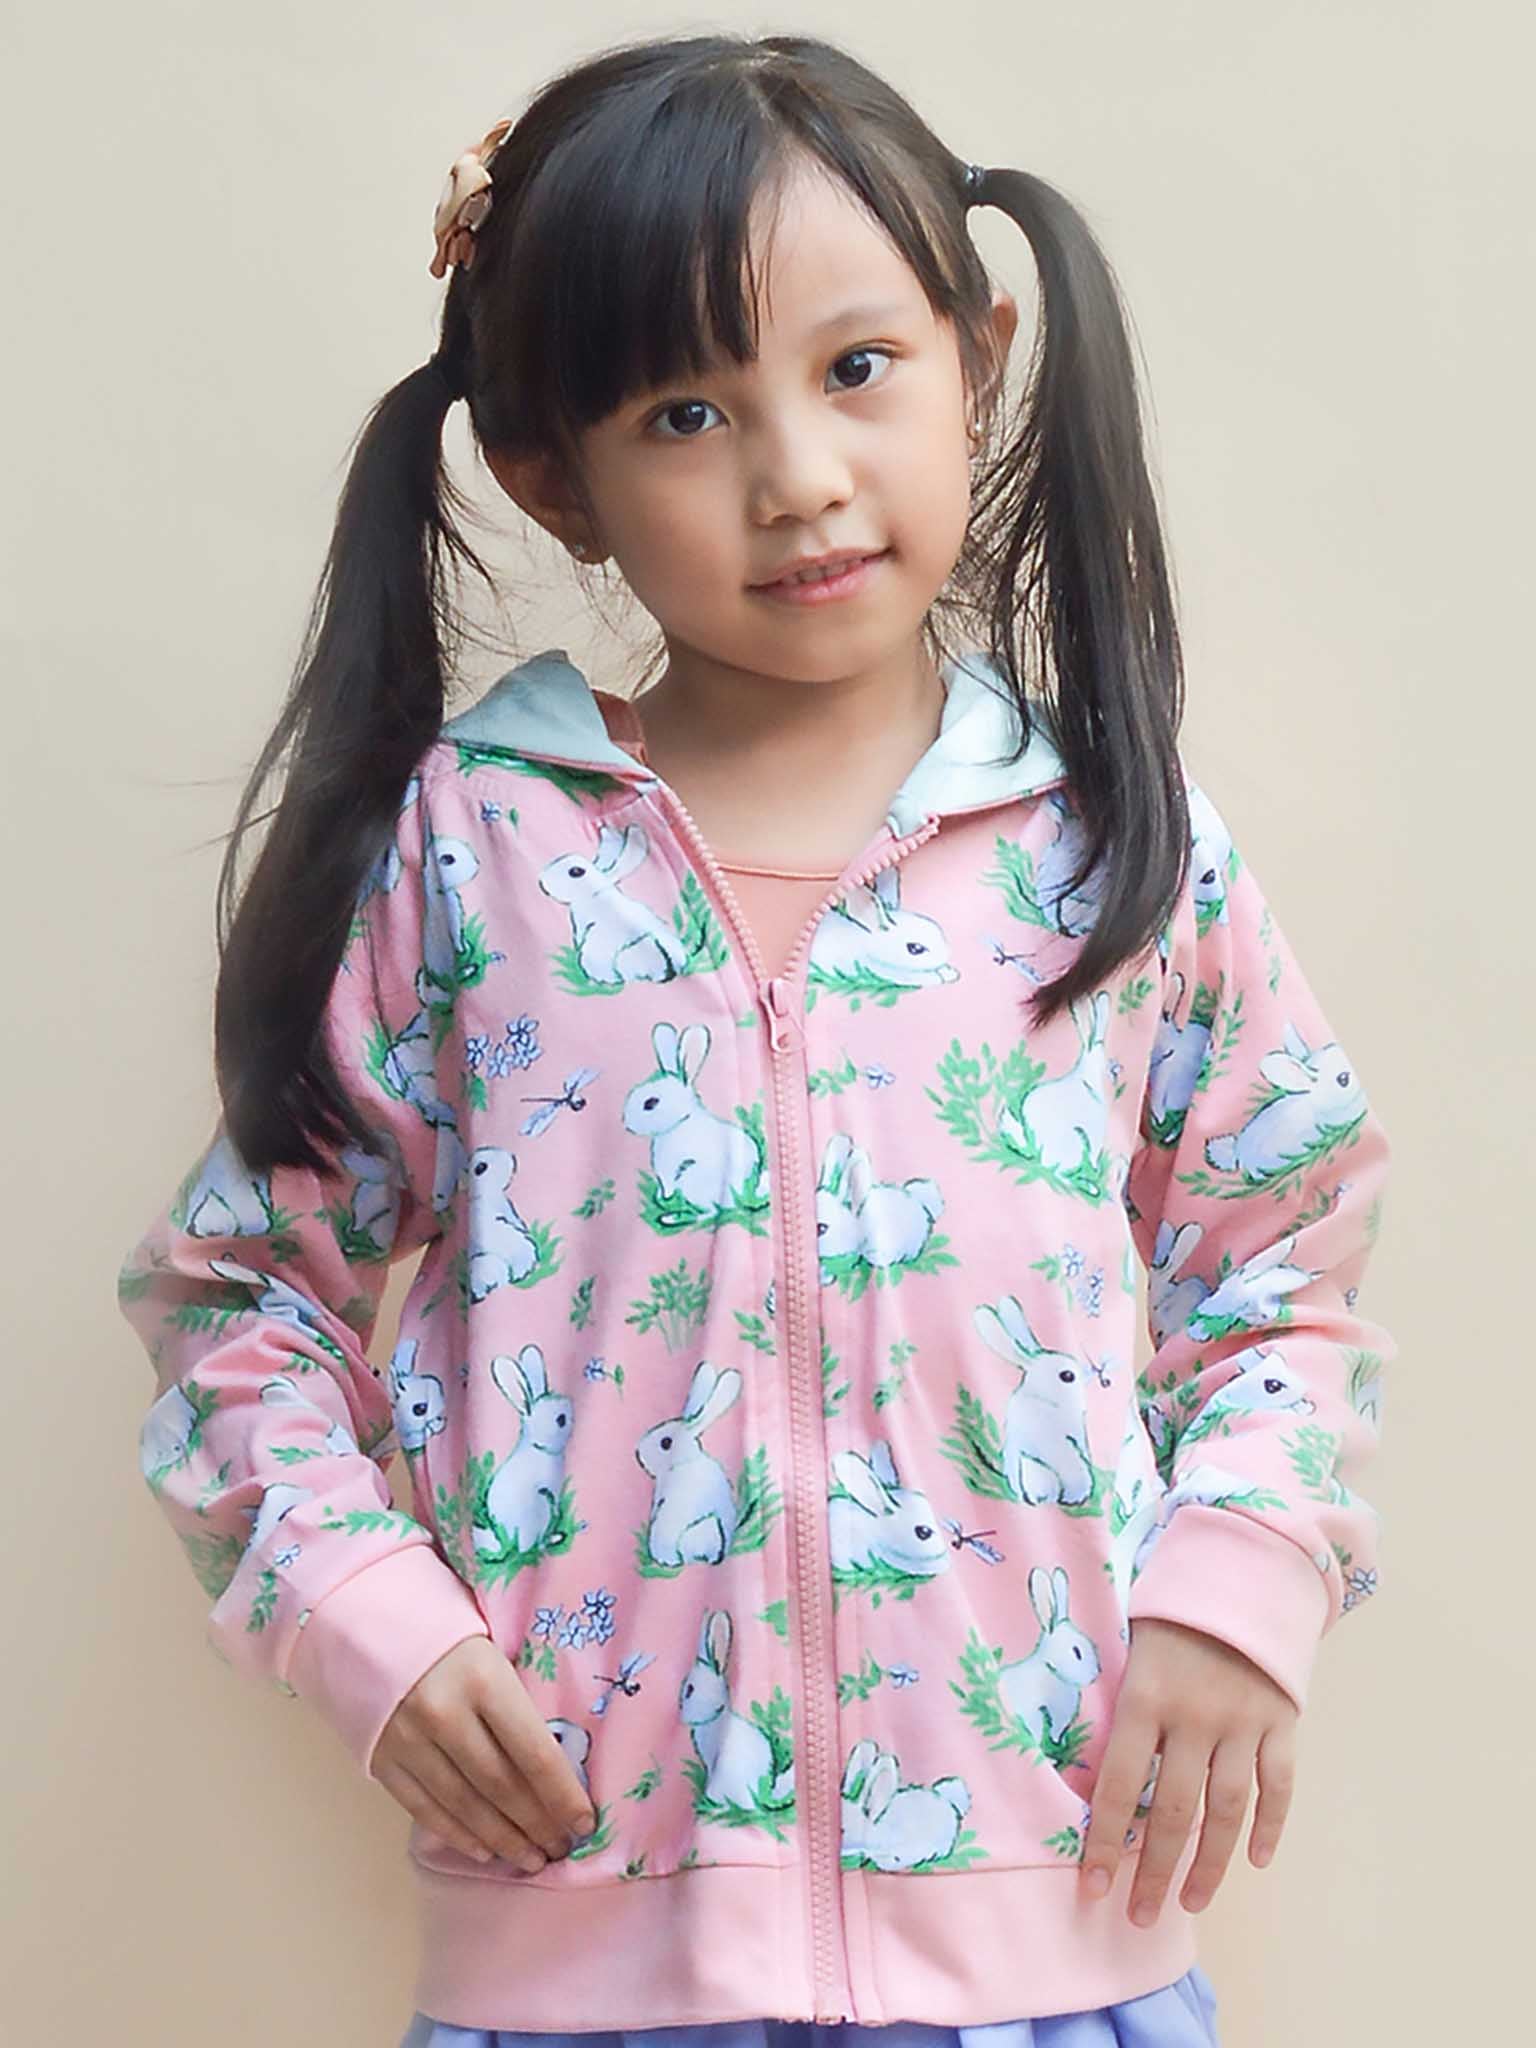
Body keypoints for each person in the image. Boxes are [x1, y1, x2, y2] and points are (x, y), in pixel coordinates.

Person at [116, 31, 1395, 2048]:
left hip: (1055, 1941)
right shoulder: (476, 851)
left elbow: (1281, 1267)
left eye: (858, 368)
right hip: (583, 1963)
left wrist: (1241, 1587)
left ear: (976, 353)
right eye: (690, 409)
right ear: (557, 474)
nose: (796, 473)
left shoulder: (1116, 847)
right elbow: (234, 1302)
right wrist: (366, 1617)